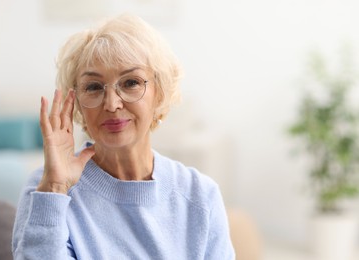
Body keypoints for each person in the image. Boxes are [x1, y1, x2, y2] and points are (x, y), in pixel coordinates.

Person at [12, 14, 235, 259]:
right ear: (77, 103)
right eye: (94, 87)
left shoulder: (200, 195)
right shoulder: (45, 190)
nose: (112, 103)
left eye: (130, 82)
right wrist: (54, 188)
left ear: (158, 93)